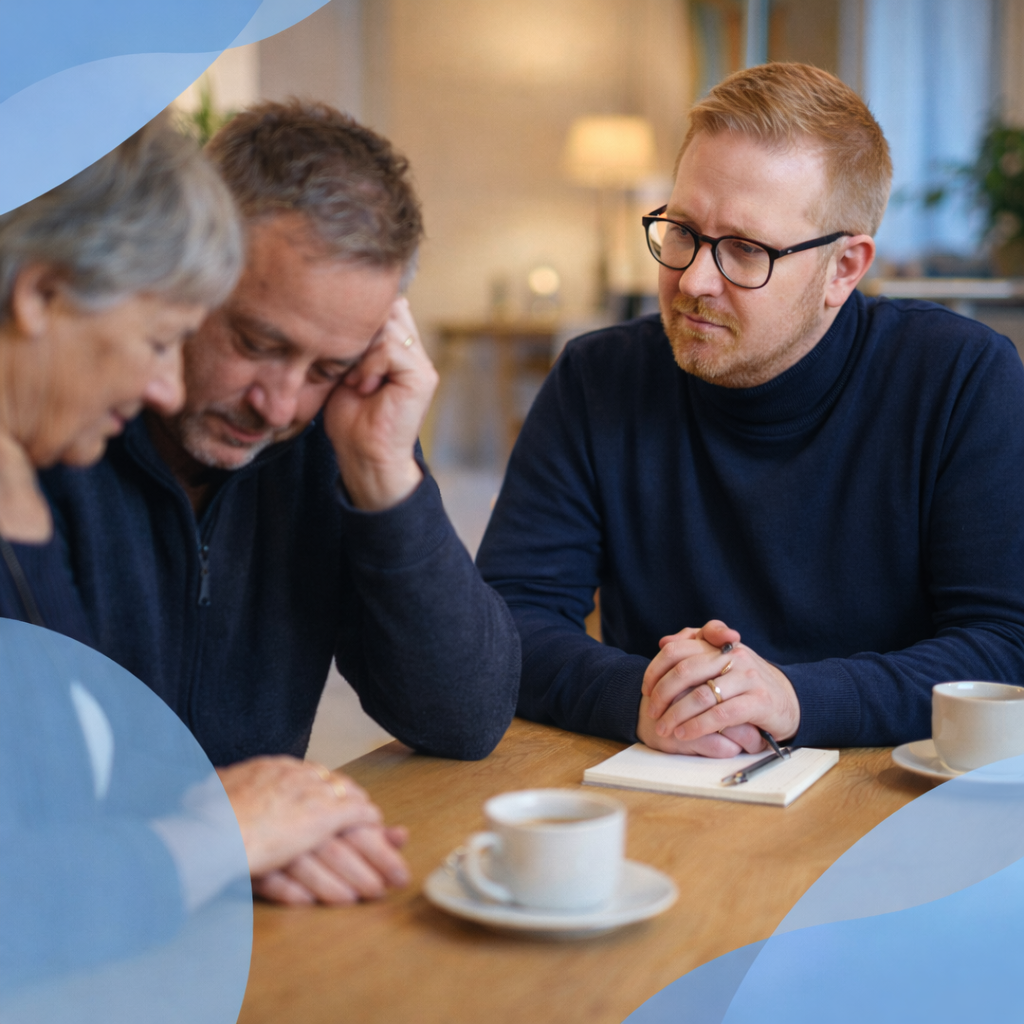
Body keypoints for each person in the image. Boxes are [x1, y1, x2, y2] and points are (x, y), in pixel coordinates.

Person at [39, 101, 521, 904]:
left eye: (327, 365)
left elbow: (463, 719)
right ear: (181, 271)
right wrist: (227, 834)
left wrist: (384, 473)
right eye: (257, 343)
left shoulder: (332, 434)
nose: (278, 403)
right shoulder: (51, 432)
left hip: (252, 908)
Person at [476, 63, 1024, 758]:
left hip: (890, 788)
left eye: (744, 249)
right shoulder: (598, 377)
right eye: (682, 231)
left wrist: (794, 699)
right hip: (671, 781)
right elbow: (504, 622)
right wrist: (647, 697)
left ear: (845, 269)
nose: (694, 281)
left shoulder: (960, 377)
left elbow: (1004, 647)